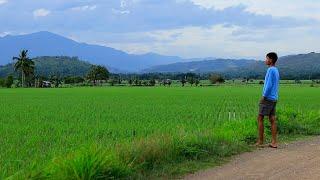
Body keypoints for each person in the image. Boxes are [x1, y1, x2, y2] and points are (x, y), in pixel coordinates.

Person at [256, 52, 280, 148]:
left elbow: (269, 85)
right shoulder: (276, 70)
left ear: (271, 60)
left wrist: (264, 96)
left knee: (260, 118)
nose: (265, 60)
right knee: (272, 119)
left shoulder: (270, 70)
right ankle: (274, 142)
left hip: (268, 98)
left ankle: (260, 141)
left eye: (266, 58)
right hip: (274, 98)